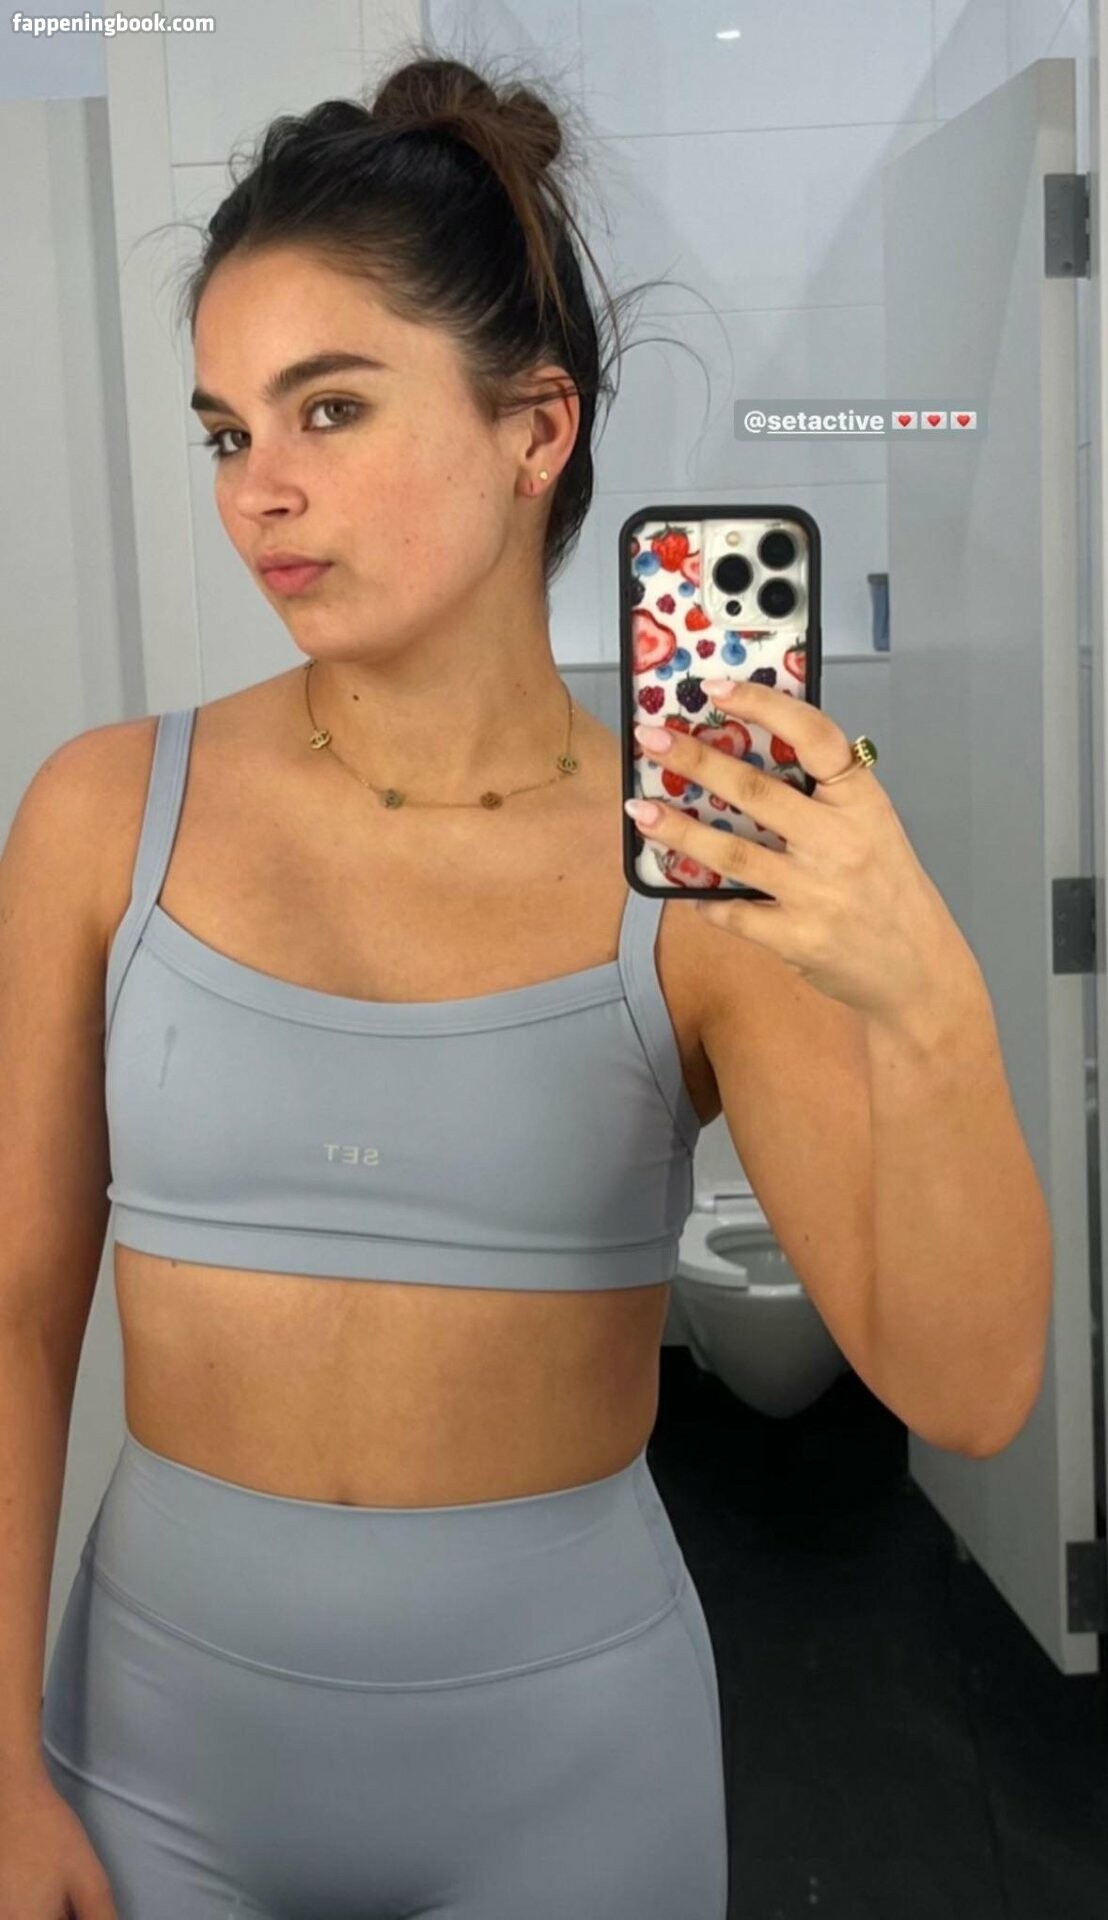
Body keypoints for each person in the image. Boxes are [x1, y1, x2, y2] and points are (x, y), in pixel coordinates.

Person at [0, 46, 729, 1920]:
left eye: (327, 408)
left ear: (535, 429)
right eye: (227, 432)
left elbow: (966, 1381)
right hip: (151, 1767)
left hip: (577, 1783)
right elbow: (12, 1313)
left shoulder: (689, 857)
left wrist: (904, 963)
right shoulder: (102, 814)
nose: (260, 492)